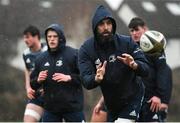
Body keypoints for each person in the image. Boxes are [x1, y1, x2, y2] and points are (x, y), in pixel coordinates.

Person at [78, 5, 149, 122]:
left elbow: (146, 69)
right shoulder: (86, 49)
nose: (106, 27)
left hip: (132, 96)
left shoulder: (127, 42)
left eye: (109, 23)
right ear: (95, 27)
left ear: (113, 25)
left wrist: (134, 65)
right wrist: (96, 78)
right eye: (101, 24)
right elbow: (85, 80)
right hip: (111, 102)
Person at [30, 24, 85, 122]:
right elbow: (32, 84)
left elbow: (85, 77)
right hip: (51, 110)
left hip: (73, 108)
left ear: (61, 38)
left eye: (55, 36)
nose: (52, 39)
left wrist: (70, 78)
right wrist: (38, 80)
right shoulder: (40, 59)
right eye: (49, 37)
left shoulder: (74, 54)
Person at [128, 17, 173, 122]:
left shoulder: (154, 46)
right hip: (135, 100)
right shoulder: (130, 48)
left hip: (153, 101)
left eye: (137, 29)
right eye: (132, 31)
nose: (134, 33)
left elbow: (164, 72)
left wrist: (160, 97)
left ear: (145, 29)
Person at [22, 25, 47, 122]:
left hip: (51, 95)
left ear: (36, 36)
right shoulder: (25, 54)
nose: (25, 40)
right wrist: (28, 87)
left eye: (27, 37)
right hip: (36, 94)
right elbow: (27, 70)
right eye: (24, 37)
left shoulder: (47, 49)